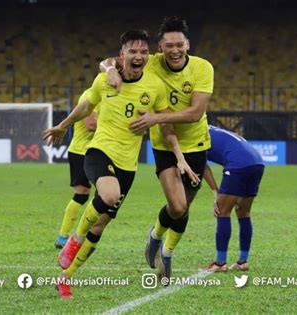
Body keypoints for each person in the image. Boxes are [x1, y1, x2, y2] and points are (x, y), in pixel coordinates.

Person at [43, 30, 198, 300]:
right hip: (99, 151)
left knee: (100, 226)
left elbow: (166, 126)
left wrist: (180, 158)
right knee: (109, 194)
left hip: (129, 165)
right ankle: (73, 240)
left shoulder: (154, 87)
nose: (138, 56)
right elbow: (85, 106)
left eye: (143, 52)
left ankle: (66, 278)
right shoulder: (105, 79)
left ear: (148, 56)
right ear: (122, 54)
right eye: (132, 52)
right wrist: (62, 126)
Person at [100, 16, 214, 281]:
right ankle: (155, 236)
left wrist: (156, 117)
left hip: (196, 144)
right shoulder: (150, 62)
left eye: (179, 44)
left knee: (183, 208)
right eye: (168, 45)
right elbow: (106, 61)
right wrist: (110, 71)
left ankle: (166, 251)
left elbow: (196, 113)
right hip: (164, 143)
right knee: (176, 205)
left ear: (188, 44)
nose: (174, 50)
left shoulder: (202, 68)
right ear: (160, 48)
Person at [202, 126, 264, 272]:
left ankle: (219, 263)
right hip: (257, 162)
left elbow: (202, 167)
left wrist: (216, 192)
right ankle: (242, 261)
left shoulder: (194, 135)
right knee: (243, 213)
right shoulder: (210, 128)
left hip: (238, 164)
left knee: (222, 211)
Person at [54, 88, 98, 249]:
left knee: (105, 194)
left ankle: (86, 232)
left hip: (98, 150)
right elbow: (91, 124)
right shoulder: (91, 95)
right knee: (81, 194)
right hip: (82, 152)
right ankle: (63, 236)